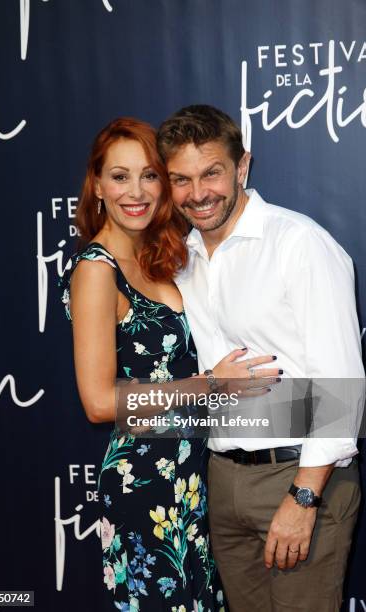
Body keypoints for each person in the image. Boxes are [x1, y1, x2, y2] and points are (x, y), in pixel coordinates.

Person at [58, 117, 279, 611]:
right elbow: (97, 403)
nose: (135, 191)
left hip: (194, 479)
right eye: (119, 176)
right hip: (144, 486)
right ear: (97, 184)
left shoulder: (161, 256)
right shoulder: (97, 271)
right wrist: (209, 385)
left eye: (150, 175)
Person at [157, 104, 365, 612]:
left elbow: (341, 387)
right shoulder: (183, 259)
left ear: (242, 167)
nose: (198, 193)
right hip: (223, 479)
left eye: (212, 173)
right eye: (181, 179)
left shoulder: (299, 245)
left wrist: (303, 498)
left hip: (298, 477)